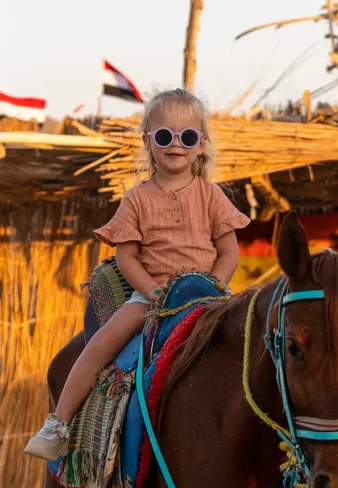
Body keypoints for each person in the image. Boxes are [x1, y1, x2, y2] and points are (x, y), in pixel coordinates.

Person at [25, 87, 250, 461]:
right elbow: (126, 257)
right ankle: (59, 423)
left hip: (208, 295)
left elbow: (229, 252)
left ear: (201, 144)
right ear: (148, 141)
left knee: (253, 339)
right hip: (151, 296)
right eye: (164, 136)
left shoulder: (211, 196)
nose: (175, 144)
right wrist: (153, 291)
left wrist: (214, 287)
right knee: (102, 341)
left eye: (187, 136)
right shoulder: (137, 198)